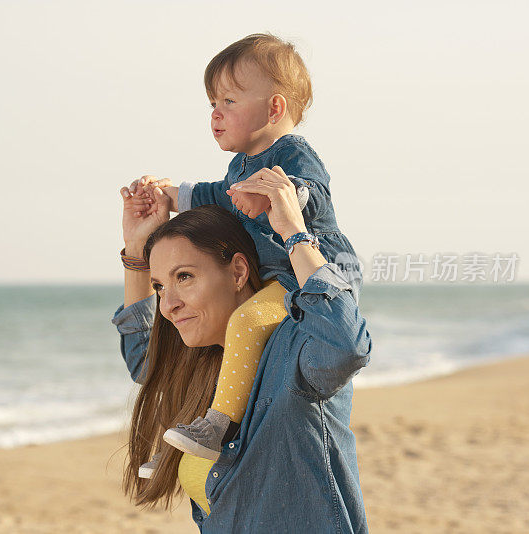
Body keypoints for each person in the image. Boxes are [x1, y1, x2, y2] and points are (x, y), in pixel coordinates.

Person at [127, 33, 363, 463]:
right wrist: (172, 194)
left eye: (229, 103)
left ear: (275, 108)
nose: (215, 115)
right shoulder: (241, 165)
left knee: (247, 322)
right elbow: (220, 192)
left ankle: (217, 424)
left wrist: (280, 196)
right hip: (278, 276)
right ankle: (185, 437)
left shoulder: (293, 153)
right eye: (211, 104)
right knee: (228, 336)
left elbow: (315, 195)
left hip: (312, 273)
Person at [111, 168, 372, 531]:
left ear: (237, 273)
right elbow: (145, 362)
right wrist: (136, 253)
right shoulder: (207, 365)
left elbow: (348, 346)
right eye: (159, 286)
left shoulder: (297, 350)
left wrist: (295, 234)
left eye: (184, 277)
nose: (168, 304)